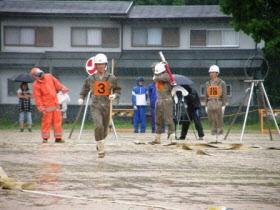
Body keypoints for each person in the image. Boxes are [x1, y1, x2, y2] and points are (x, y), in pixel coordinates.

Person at [78, 53, 121, 158]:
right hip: (96, 105)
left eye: (102, 64)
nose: (100, 66)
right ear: (95, 66)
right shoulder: (91, 78)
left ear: (105, 65)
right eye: (98, 64)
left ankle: (99, 142)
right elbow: (84, 89)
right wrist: (81, 97)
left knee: (105, 130)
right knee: (98, 126)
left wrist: (114, 95)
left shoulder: (112, 78)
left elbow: (118, 90)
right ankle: (101, 148)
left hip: (107, 105)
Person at [30, 67, 69, 143]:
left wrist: (62, 88)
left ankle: (58, 138)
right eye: (39, 74)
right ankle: (45, 138)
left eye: (41, 72)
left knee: (58, 121)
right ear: (35, 76)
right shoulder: (36, 85)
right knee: (46, 122)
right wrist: (41, 107)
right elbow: (38, 97)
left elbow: (57, 84)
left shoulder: (49, 76)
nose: (41, 75)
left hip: (55, 104)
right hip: (47, 107)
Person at [150, 62, 175, 145]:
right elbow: (155, 76)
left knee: (168, 119)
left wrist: (163, 68)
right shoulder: (157, 76)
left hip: (166, 100)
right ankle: (157, 138)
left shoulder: (166, 76)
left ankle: (172, 137)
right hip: (159, 100)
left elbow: (158, 78)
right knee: (158, 120)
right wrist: (160, 64)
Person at [205, 65, 227, 141]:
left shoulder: (222, 83)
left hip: (218, 102)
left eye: (213, 72)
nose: (211, 74)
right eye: (210, 72)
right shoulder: (207, 83)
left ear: (217, 73)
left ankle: (220, 133)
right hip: (210, 102)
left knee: (219, 118)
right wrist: (206, 105)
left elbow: (224, 94)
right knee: (211, 118)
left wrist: (224, 105)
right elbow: (205, 95)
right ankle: (213, 132)